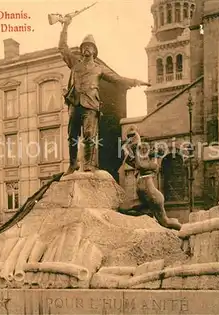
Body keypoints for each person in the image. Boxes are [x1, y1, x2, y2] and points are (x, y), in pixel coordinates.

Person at [58, 16, 151, 175]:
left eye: (90, 46)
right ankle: (73, 163)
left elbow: (118, 80)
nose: (87, 48)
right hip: (75, 103)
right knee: (72, 135)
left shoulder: (99, 69)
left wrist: (136, 81)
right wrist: (65, 26)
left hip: (91, 104)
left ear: (94, 50)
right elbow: (62, 48)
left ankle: (87, 165)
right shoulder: (75, 63)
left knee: (89, 135)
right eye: (84, 46)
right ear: (81, 49)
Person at [118, 126, 182, 231]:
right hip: (144, 198)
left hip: (153, 197)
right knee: (123, 209)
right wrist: (130, 147)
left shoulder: (153, 164)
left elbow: (139, 165)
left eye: (153, 150)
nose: (149, 150)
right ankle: (148, 214)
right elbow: (130, 162)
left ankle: (184, 230)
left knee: (165, 222)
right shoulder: (145, 161)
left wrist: (137, 147)